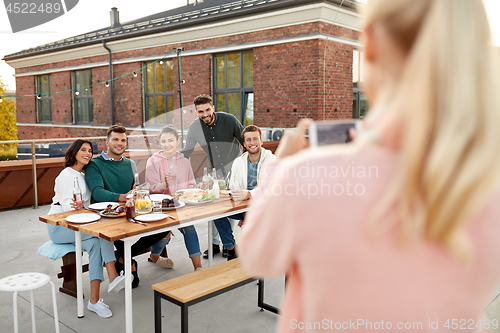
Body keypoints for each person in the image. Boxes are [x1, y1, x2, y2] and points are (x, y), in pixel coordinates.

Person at [239, 0, 500, 332]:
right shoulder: (485, 185)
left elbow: (255, 255)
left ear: (371, 43)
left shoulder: (306, 177)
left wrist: (279, 170)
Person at [46, 139, 126, 318]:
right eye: (83, 150)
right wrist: (77, 206)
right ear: (74, 152)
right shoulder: (66, 175)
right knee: (101, 233)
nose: (88, 153)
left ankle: (94, 301)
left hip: (77, 224)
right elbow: (67, 208)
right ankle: (113, 276)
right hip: (60, 226)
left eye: (90, 150)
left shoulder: (81, 176)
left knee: (97, 243)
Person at [85, 125, 172, 288]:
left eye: (123, 140)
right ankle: (128, 262)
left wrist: (140, 192)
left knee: (164, 227)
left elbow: (135, 187)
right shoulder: (94, 164)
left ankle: (122, 257)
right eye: (115, 139)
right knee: (121, 233)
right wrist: (122, 197)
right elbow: (97, 192)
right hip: (107, 215)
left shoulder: (130, 164)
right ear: (107, 142)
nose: (120, 143)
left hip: (130, 210)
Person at [180, 94, 245, 259]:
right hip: (214, 170)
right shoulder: (194, 127)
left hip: (234, 168)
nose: (205, 114)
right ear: (196, 112)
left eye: (207, 109)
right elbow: (186, 151)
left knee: (228, 206)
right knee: (214, 207)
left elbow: (244, 140)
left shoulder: (229, 120)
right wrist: (170, 159)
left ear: (213, 107)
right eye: (200, 111)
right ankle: (215, 244)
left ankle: (227, 245)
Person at [145, 125, 202, 271]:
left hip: (181, 206)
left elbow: (191, 185)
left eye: (170, 140)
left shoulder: (185, 161)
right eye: (163, 141)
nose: (167, 144)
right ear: (159, 143)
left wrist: (195, 190)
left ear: (178, 141)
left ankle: (199, 268)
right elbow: (151, 188)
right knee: (166, 233)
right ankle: (155, 256)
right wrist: (165, 183)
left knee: (189, 228)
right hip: (161, 208)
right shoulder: (153, 161)